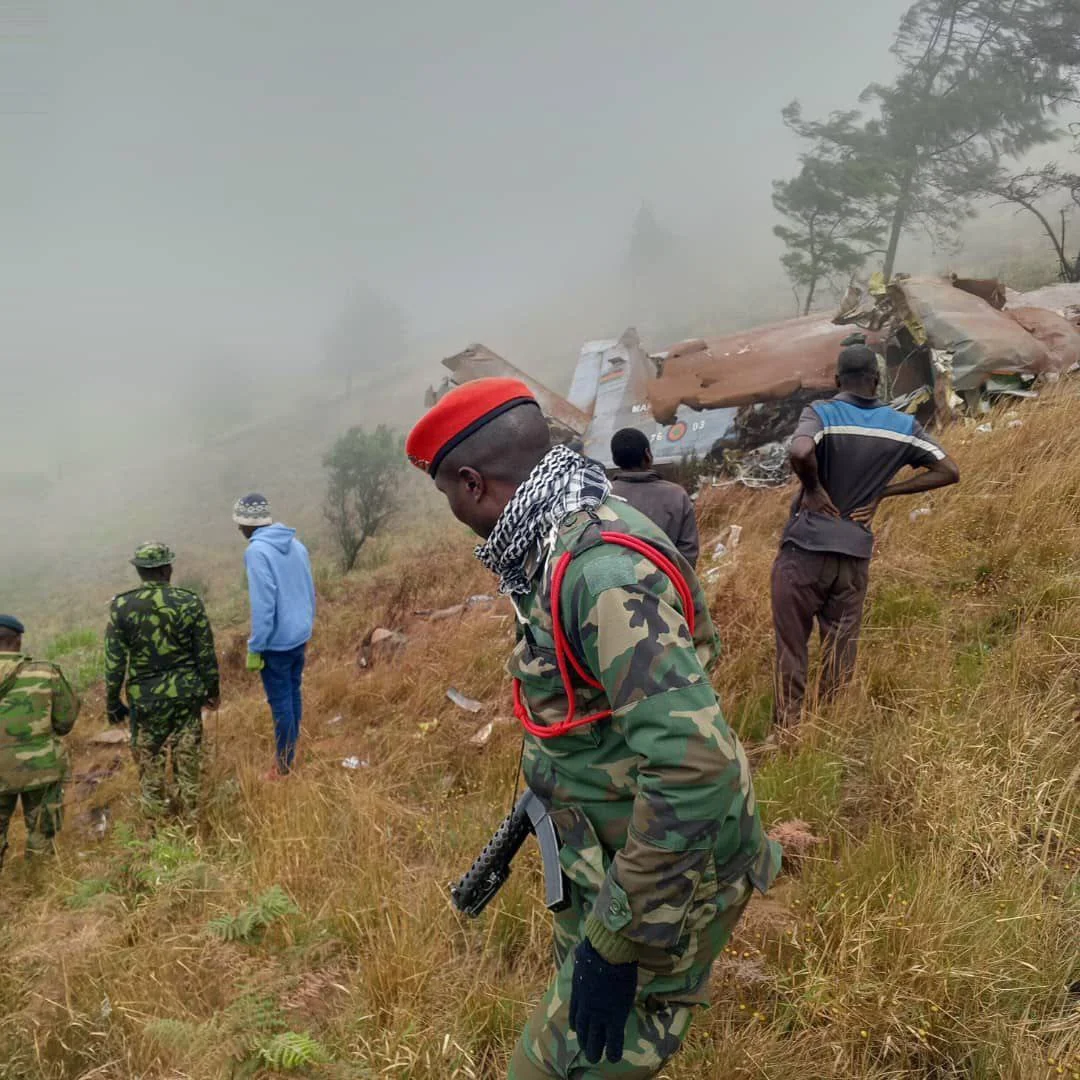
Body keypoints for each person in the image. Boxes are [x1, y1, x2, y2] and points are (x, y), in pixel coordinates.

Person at [406, 378, 780, 1080]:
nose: (453, 513)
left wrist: (614, 938)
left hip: (667, 882)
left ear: (472, 483)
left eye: (448, 497)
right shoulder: (554, 536)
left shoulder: (601, 574)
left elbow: (697, 765)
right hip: (607, 858)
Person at [771, 342, 960, 730]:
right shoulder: (903, 425)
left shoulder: (821, 412)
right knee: (841, 648)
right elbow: (948, 471)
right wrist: (885, 492)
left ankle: (789, 733)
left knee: (792, 648)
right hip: (853, 555)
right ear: (877, 380)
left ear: (838, 380)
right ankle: (829, 730)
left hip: (804, 550)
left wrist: (814, 488)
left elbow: (801, 450)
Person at [104, 543, 219, 819]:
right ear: (168, 568)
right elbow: (205, 653)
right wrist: (212, 690)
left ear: (140, 571)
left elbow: (114, 663)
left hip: (146, 702)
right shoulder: (189, 601)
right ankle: (191, 829)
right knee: (187, 764)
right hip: (186, 697)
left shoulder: (122, 606)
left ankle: (159, 835)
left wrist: (112, 703)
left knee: (150, 769)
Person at [233, 493, 315, 778]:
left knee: (280, 702)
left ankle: (283, 767)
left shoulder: (256, 552)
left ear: (248, 524)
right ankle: (290, 753)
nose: (239, 530)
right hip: (299, 636)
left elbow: (264, 603)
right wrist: (306, 626)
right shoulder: (295, 544)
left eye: (239, 524)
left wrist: (256, 646)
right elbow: (308, 590)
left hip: (276, 644)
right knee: (293, 694)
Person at [0, 614, 80, 869]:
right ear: (18, 640)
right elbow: (66, 720)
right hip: (41, 768)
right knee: (41, 831)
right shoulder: (45, 672)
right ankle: (38, 885)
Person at [608, 428, 700, 567]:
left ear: (615, 459)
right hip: (666, 584)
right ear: (647, 454)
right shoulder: (676, 495)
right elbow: (688, 552)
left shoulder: (603, 496)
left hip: (614, 583)